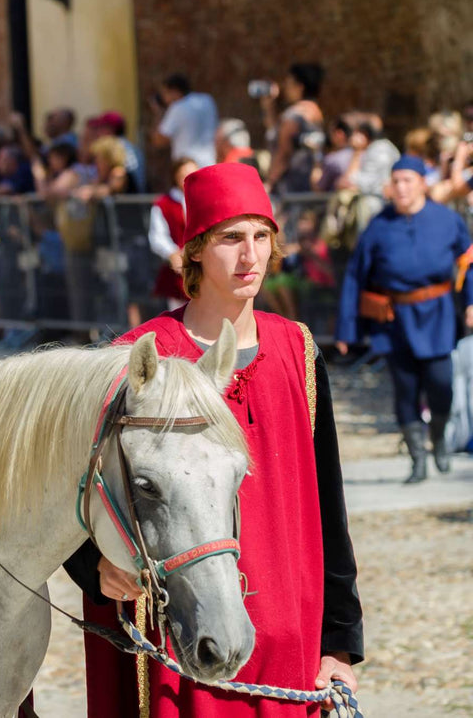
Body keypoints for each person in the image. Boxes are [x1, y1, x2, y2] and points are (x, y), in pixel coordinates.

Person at [66, 162, 363, 717]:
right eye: (231, 238)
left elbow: (330, 505)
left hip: (290, 636)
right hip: (175, 632)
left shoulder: (296, 350)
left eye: (261, 236)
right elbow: (71, 489)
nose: (250, 256)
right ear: (195, 250)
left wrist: (340, 644)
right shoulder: (138, 358)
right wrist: (91, 566)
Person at [335, 156, 473, 483]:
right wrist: (347, 328)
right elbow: (356, 276)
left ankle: (438, 437)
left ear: (423, 183)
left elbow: (469, 262)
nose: (401, 187)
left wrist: (471, 301)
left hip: (438, 315)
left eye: (407, 180)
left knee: (441, 385)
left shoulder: (446, 220)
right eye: (395, 181)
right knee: (405, 390)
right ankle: (418, 460)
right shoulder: (378, 227)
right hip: (394, 320)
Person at [260, 62, 326, 193]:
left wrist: (269, 183)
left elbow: (284, 153)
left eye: (289, 83)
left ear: (300, 87)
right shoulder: (315, 112)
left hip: (287, 188)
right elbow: (276, 131)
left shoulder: (293, 116)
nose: (285, 87)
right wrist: (269, 107)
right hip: (306, 184)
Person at [148, 157, 196, 310]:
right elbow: (157, 236)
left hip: (204, 265)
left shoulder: (204, 200)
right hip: (179, 268)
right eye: (184, 175)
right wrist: (173, 253)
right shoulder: (165, 203)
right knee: (179, 314)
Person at [150, 73, 218, 168]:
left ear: (174, 91)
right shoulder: (207, 100)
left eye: (165, 93)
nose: (164, 100)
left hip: (187, 167)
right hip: (210, 162)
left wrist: (158, 113)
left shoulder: (177, 107)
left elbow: (159, 140)